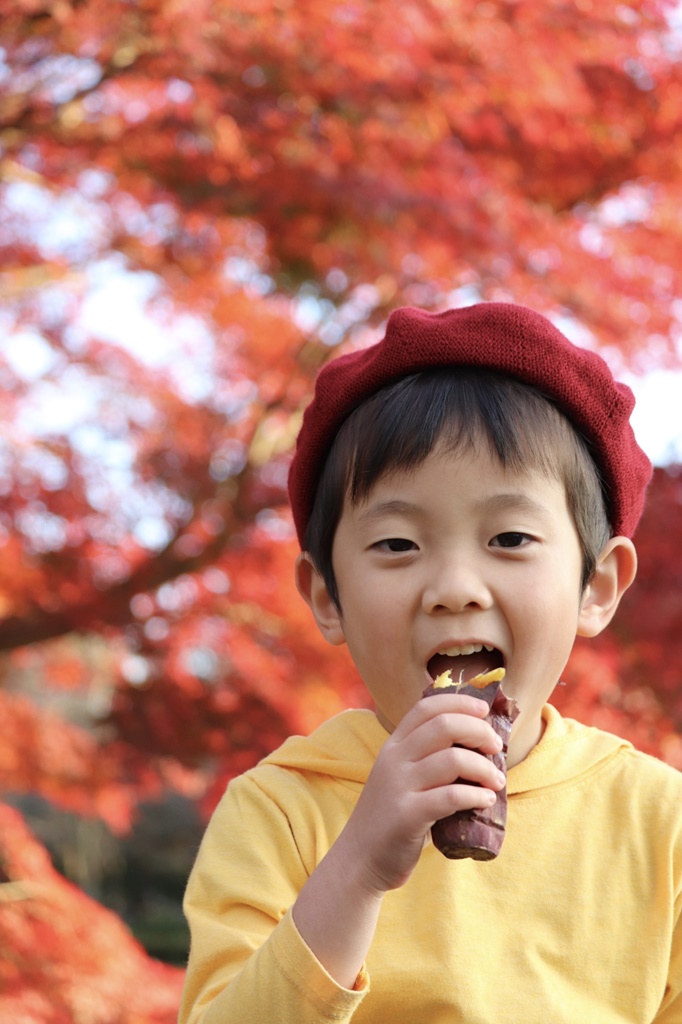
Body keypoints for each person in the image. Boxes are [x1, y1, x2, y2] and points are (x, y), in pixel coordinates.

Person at [178, 302, 682, 1023]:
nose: (453, 589)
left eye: (509, 537)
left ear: (596, 588)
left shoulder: (659, 823)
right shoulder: (281, 809)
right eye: (396, 545)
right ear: (327, 595)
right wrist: (356, 867)